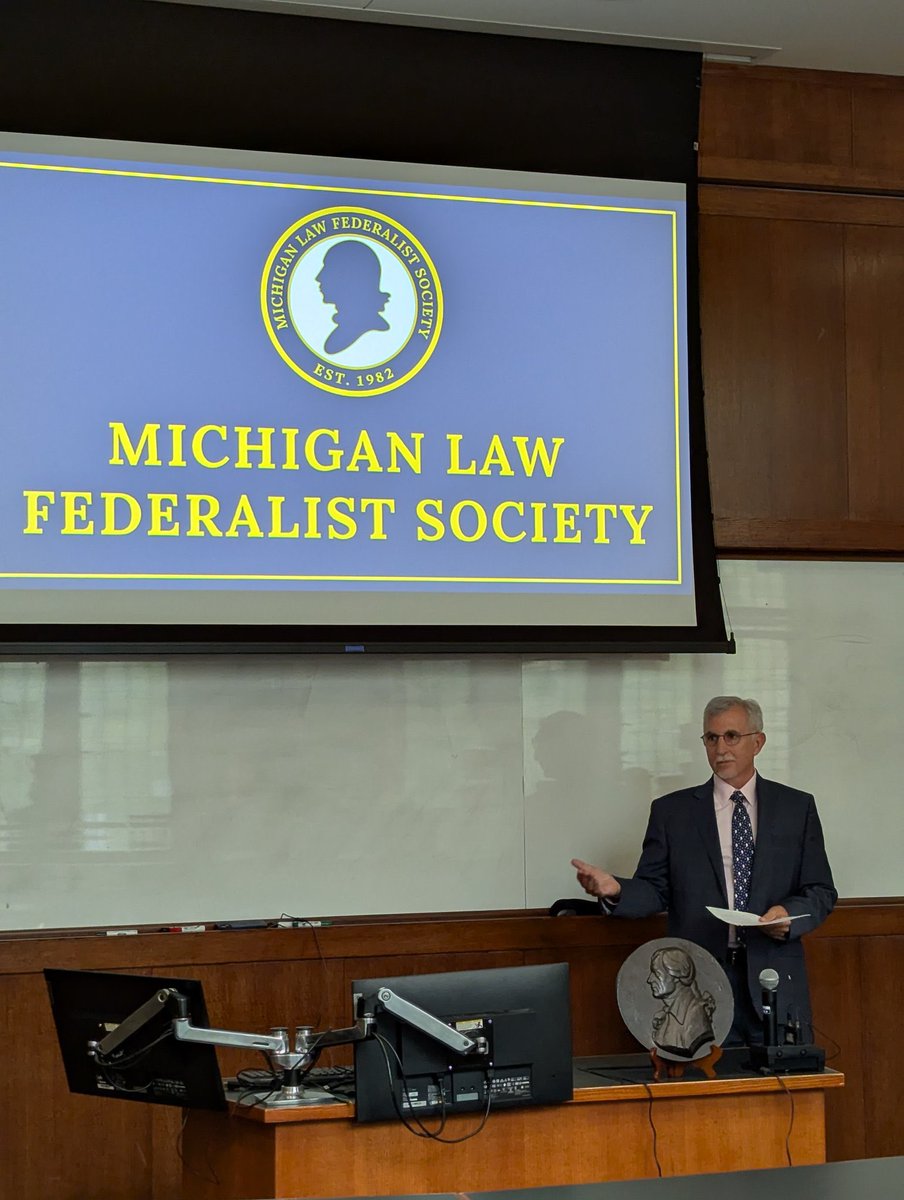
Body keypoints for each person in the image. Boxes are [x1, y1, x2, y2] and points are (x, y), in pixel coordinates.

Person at [572, 696, 836, 1045]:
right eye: (711, 738)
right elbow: (654, 889)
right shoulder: (673, 813)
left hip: (774, 980)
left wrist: (790, 916)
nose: (721, 748)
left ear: (757, 742)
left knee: (780, 1095)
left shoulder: (796, 807)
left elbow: (820, 890)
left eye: (731, 736)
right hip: (699, 981)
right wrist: (615, 891)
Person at [647, 946, 716, 1059]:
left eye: (656, 973)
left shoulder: (695, 1016)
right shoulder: (669, 1015)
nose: (649, 979)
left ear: (676, 976)